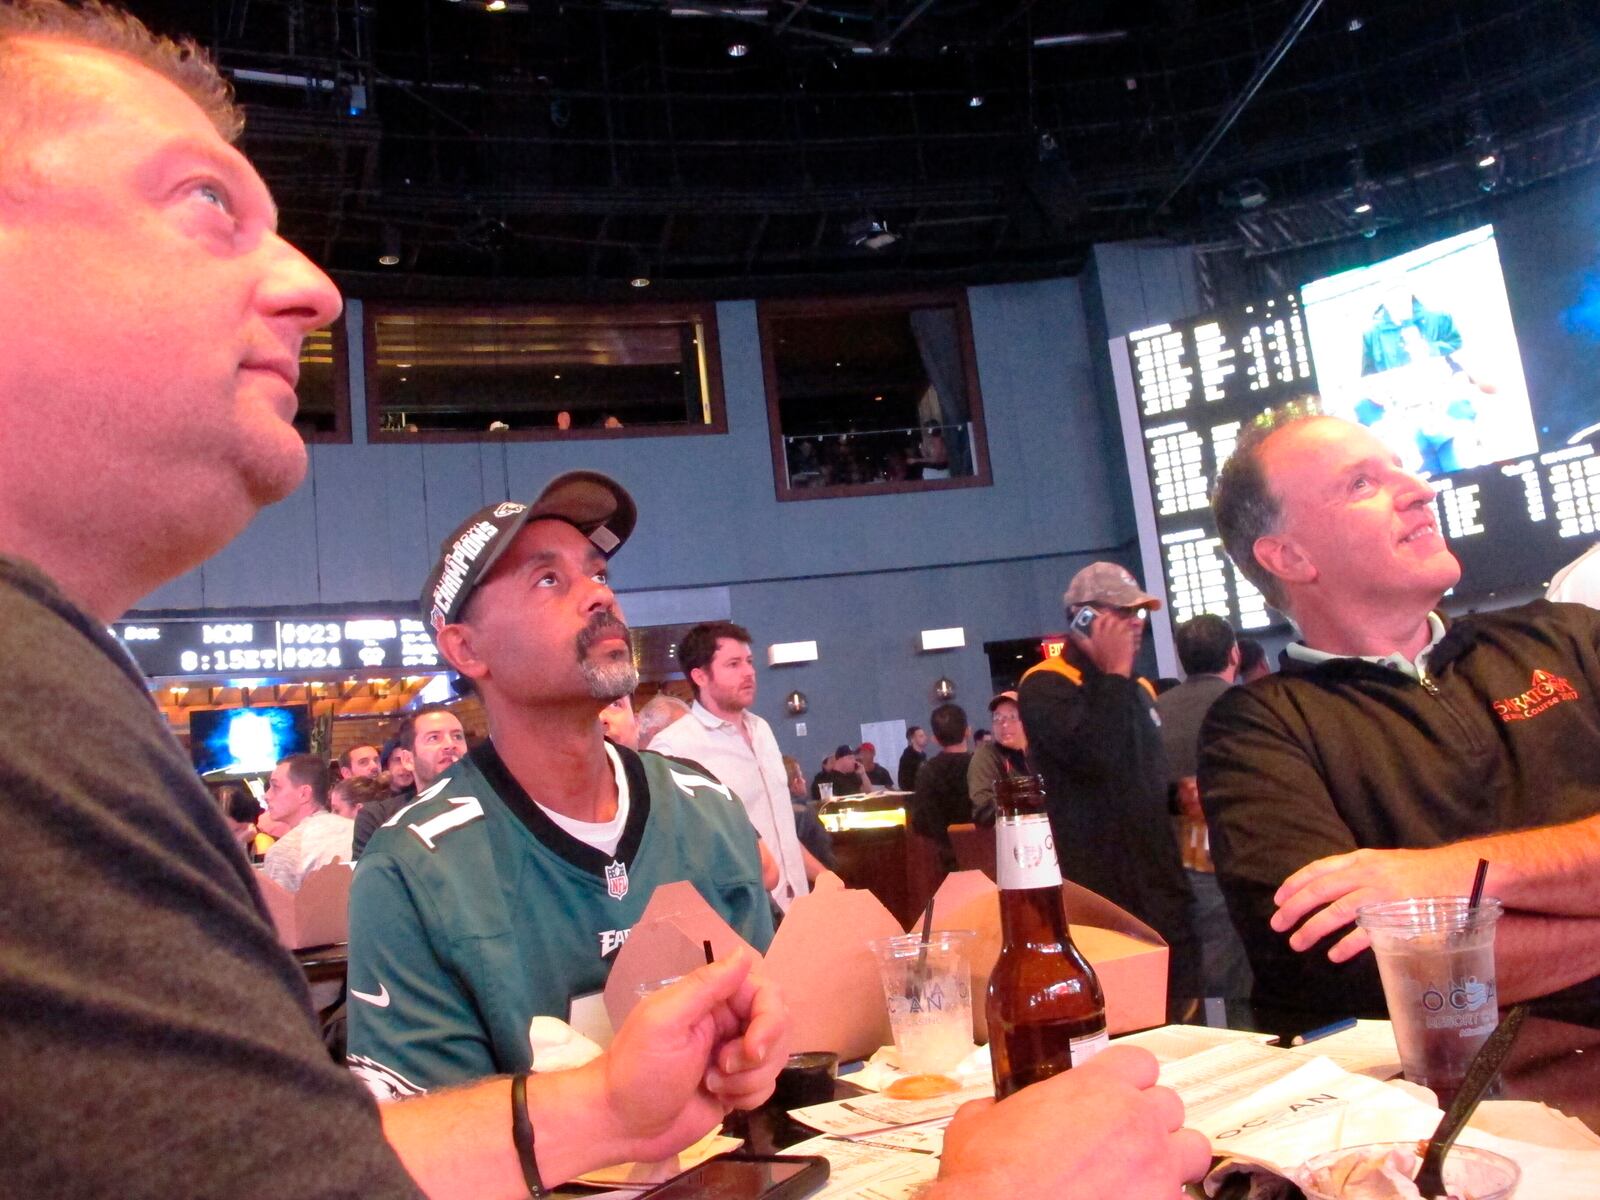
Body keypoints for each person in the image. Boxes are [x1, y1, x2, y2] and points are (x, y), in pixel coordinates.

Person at [0, 9, 801, 1197]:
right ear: (458, 648)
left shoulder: (60, 681)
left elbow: (273, 1161)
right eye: (208, 203)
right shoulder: (36, 717)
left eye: (595, 572)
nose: (317, 288)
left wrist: (600, 1104)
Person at [348, 480, 778, 1095]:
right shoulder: (411, 871)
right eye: (549, 580)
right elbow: (426, 1145)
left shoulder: (704, 805)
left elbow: (771, 1030)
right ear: (467, 648)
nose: (600, 594)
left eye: (598, 574)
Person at [1203, 409, 1600, 1023]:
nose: (1420, 489)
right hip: (1471, 1102)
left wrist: (1444, 876)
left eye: (1400, 469)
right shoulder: (1260, 730)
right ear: (1289, 557)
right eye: (1362, 484)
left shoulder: (1567, 638)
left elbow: (1412, 948)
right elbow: (1350, 964)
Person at [1017, 562, 1200, 1010]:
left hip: (1159, 881)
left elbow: (1134, 774)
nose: (1136, 625)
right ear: (1084, 618)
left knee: (1183, 1003)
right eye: (1123, 614)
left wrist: (1176, 796)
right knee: (1130, 1012)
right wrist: (1115, 673)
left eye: (1139, 614)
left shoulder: (1138, 689)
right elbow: (1096, 755)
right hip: (1105, 888)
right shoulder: (1046, 685)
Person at [649, 620, 826, 910]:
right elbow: (676, 855)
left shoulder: (762, 730)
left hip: (801, 912)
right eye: (733, 664)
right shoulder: (674, 748)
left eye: (749, 661)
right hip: (745, 918)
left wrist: (826, 878)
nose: (749, 672)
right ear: (700, 676)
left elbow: (780, 831)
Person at [1156, 615, 1252, 1000]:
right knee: (1234, 984)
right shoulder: (1248, 707)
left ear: (1182, 660)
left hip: (1166, 864)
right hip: (1233, 860)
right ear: (1234, 653)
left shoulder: (1154, 713)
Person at [351, 705, 467, 857]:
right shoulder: (379, 819)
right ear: (408, 760)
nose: (450, 744)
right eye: (434, 738)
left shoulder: (493, 804)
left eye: (457, 736)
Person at [260, 752, 352, 892]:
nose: (266, 796)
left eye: (275, 787)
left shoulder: (285, 850)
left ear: (304, 794)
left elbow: (280, 912)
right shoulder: (355, 829)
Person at [910, 702, 974, 869]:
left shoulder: (927, 771)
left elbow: (920, 822)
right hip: (989, 855)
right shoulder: (984, 765)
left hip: (946, 860)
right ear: (968, 731)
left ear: (935, 739)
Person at [967, 690, 1028, 826]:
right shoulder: (987, 756)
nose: (1004, 724)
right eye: (997, 718)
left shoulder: (1041, 753)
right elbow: (983, 811)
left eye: (1012, 716)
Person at [782, 754, 838, 873]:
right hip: (818, 878)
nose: (804, 781)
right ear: (795, 783)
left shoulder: (774, 815)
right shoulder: (805, 813)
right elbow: (823, 849)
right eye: (801, 777)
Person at [897, 724, 928, 790]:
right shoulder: (907, 758)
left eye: (924, 735)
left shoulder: (923, 755)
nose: (925, 738)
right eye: (921, 736)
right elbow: (904, 783)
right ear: (912, 740)